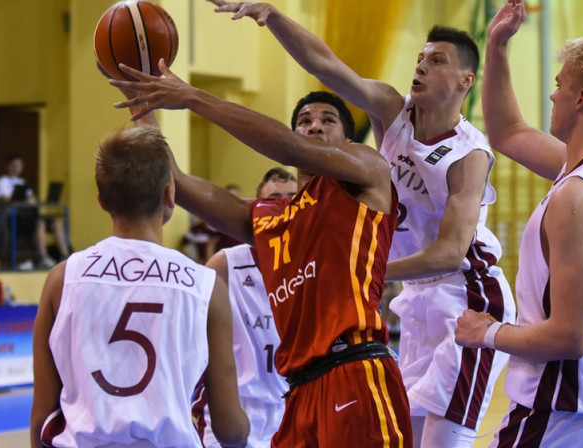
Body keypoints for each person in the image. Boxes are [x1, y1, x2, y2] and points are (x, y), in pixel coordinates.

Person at [207, 2, 516, 445]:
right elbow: (327, 66)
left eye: (437, 61)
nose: (422, 67)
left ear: (466, 80)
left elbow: (449, 253)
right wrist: (271, 16)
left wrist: (359, 272)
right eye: (421, 59)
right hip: (416, 300)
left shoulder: (469, 155)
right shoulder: (393, 110)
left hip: (467, 293)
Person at [111, 60, 412, 446]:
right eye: (304, 120)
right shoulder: (270, 218)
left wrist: (192, 97)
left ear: (349, 144)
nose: (314, 125)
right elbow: (178, 184)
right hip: (300, 392)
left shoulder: (367, 172)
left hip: (356, 372)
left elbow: (287, 146)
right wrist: (143, 104)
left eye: (328, 120)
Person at [454, 1, 583, 447]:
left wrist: (486, 332)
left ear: (581, 99)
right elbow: (507, 132)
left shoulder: (577, 197)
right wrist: (497, 46)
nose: (552, 94)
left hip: (569, 410)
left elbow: (569, 336)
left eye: (559, 85)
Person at [29, 125, 250, 447]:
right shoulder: (205, 285)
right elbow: (230, 429)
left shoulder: (63, 278)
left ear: (102, 200)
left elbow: (42, 416)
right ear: (170, 195)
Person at [196, 169, 295, 447]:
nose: (284, 205)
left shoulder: (317, 265)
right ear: (256, 208)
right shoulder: (224, 265)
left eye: (292, 197)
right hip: (235, 406)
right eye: (274, 198)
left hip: (293, 408)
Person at [0, 154, 70, 270]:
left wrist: (32, 200)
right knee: (40, 223)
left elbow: (32, 197)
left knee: (56, 223)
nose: (16, 168)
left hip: (29, 215)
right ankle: (43, 257)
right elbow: (4, 199)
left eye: (19, 166)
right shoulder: (2, 181)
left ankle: (65, 256)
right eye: (14, 166)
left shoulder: (22, 182)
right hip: (14, 217)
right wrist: (21, 200)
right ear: (8, 166)